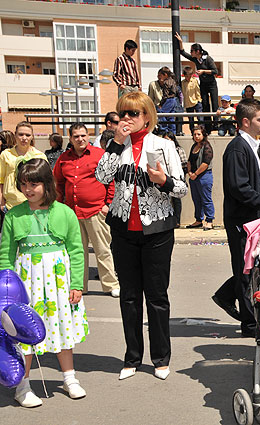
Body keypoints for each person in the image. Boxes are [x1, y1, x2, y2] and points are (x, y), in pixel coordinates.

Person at [95, 91, 188, 381]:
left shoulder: (163, 146)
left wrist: (164, 181)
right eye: (122, 114)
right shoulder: (114, 146)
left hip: (156, 230)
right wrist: (117, 143)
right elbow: (101, 176)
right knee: (129, 297)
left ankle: (160, 358)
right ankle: (132, 357)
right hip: (123, 230)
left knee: (157, 297)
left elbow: (182, 189)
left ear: (146, 116)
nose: (126, 119)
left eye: (133, 114)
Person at [0, 158, 88, 407]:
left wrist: (76, 284)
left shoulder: (65, 212)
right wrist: (6, 292)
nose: (28, 189)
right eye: (24, 184)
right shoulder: (13, 216)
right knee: (23, 332)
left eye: (34, 184)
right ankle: (23, 385)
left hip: (59, 283)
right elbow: (6, 255)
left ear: (47, 184)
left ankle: (69, 378)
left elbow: (77, 251)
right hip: (26, 284)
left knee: (61, 329)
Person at [213, 99, 260, 338]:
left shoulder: (253, 145)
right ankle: (249, 323)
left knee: (252, 268)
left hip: (252, 219)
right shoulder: (238, 148)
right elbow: (239, 187)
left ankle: (226, 295)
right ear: (245, 122)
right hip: (242, 221)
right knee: (246, 270)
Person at [53, 122, 119, 297]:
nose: (80, 139)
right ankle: (79, 286)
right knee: (77, 252)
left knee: (102, 250)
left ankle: (111, 284)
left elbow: (111, 181)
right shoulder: (64, 158)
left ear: (88, 136)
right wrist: (58, 207)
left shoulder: (100, 155)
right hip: (72, 213)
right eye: (76, 136)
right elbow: (58, 183)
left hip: (96, 210)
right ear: (71, 138)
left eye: (83, 135)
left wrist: (108, 204)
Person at [176, 34, 219, 134]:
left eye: (192, 51)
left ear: (197, 51)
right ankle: (208, 127)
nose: (191, 53)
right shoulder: (195, 59)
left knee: (214, 103)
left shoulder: (207, 59)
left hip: (211, 84)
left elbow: (215, 71)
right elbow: (183, 53)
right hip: (203, 84)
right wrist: (181, 42)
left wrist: (203, 71)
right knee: (205, 105)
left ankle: (216, 124)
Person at [0, 122, 46, 211]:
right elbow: (1, 180)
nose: (24, 138)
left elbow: (46, 182)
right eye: (21, 134)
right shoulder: (5, 154)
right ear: (15, 135)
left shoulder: (39, 156)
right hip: (10, 206)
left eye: (27, 135)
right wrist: (2, 203)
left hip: (34, 206)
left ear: (32, 137)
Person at [186, 125, 215, 230]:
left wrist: (196, 174)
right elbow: (189, 161)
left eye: (199, 134)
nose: (196, 136)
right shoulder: (194, 146)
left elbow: (206, 163)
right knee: (196, 199)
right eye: (194, 134)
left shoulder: (207, 146)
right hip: (193, 177)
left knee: (206, 199)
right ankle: (198, 220)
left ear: (203, 135)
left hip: (204, 176)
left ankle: (209, 220)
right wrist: (189, 172)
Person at [161, 131, 188, 228]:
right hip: (163, 178)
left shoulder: (178, 150)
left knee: (176, 200)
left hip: (175, 178)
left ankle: (177, 220)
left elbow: (184, 165)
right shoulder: (160, 150)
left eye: (168, 139)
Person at [157, 67, 180, 134]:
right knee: (171, 117)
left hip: (168, 100)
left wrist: (161, 104)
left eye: (161, 75)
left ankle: (164, 130)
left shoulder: (166, 82)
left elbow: (165, 95)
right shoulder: (173, 80)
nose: (160, 77)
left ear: (165, 75)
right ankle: (173, 132)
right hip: (174, 100)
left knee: (162, 114)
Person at [181, 66, 203, 134]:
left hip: (196, 101)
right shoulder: (182, 83)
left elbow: (197, 91)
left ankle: (201, 131)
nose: (188, 77)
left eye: (190, 75)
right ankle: (192, 132)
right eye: (187, 76)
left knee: (200, 118)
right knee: (191, 119)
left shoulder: (194, 81)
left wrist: (199, 100)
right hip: (188, 103)